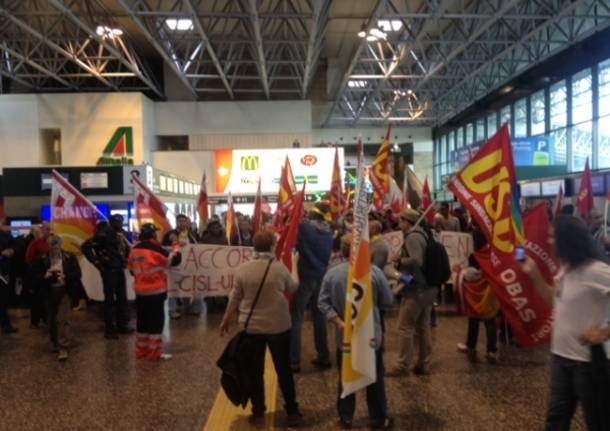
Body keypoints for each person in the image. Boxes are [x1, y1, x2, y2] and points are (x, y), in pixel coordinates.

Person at [520, 215, 610, 431]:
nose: (549, 241)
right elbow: (556, 301)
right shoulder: (566, 267)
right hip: (561, 359)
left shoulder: (596, 270)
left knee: (597, 421)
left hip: (588, 364)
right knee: (556, 419)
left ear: (568, 239)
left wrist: (605, 332)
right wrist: (534, 276)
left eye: (553, 236)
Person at [220, 231, 303, 428]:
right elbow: (293, 287)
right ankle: (292, 411)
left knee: (254, 372)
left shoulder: (243, 269)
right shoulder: (279, 269)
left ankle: (258, 411)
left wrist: (226, 319)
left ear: (254, 247)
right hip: (279, 327)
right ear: (273, 246)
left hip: (252, 329)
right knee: (284, 370)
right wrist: (295, 264)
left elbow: (235, 297)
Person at [318, 234, 394, 430]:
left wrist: (338, 320)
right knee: (374, 378)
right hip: (371, 336)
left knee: (345, 378)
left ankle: (345, 416)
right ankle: (377, 418)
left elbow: (322, 302)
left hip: (344, 337)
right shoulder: (375, 272)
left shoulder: (332, 274)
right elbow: (388, 301)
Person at [387, 209, 439, 376]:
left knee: (405, 327)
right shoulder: (424, 234)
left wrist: (399, 259)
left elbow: (417, 260)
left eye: (400, 221)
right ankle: (423, 363)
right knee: (423, 326)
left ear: (407, 222)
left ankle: (403, 365)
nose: (398, 224)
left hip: (417, 289)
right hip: (428, 287)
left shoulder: (412, 237)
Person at [290, 202, 333, 372]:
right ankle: (324, 356)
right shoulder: (329, 231)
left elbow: (293, 223)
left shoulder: (306, 229)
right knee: (319, 316)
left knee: (296, 317)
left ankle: (294, 361)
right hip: (321, 276)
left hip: (305, 277)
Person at [128, 223, 181, 361]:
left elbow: (131, 270)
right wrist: (175, 243)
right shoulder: (156, 249)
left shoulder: (134, 250)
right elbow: (175, 260)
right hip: (155, 292)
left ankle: (141, 351)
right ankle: (154, 354)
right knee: (155, 324)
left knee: (142, 323)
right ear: (153, 234)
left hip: (140, 293)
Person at [32, 235, 81, 361]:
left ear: (60, 245)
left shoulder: (69, 257)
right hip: (49, 291)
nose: (54, 249)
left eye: (56, 246)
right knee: (52, 318)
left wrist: (66, 276)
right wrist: (45, 275)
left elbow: (77, 274)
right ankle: (55, 342)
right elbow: (33, 277)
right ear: (48, 246)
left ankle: (63, 346)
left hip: (65, 290)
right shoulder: (42, 259)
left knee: (63, 318)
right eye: (51, 247)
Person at [81, 215, 132, 339]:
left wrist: (126, 258)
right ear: (111, 222)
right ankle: (109, 329)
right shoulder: (103, 234)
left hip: (119, 268)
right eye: (117, 222)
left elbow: (126, 247)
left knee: (122, 298)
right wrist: (96, 262)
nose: (119, 224)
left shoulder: (122, 233)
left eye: (121, 222)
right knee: (109, 300)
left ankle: (122, 325)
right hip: (109, 270)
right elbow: (86, 246)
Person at [455, 224, 500, 363]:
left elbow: (472, 275)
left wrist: (460, 271)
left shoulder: (474, 256)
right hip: (489, 292)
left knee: (473, 319)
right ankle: (491, 350)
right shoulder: (492, 254)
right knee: (490, 320)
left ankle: (471, 345)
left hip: (474, 292)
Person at [163, 214, 202, 319]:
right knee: (174, 289)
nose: (182, 223)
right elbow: (166, 250)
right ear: (176, 222)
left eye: (184, 221)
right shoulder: (170, 234)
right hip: (176, 266)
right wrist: (175, 243)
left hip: (190, 266)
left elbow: (199, 248)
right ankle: (172, 310)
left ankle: (189, 308)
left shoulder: (192, 234)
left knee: (189, 287)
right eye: (180, 221)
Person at [25, 223, 52, 326]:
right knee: (37, 299)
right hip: (37, 275)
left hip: (48, 274)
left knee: (46, 299)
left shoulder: (50, 243)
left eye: (50, 229)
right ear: (42, 230)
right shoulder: (35, 243)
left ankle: (45, 319)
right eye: (47, 229)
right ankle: (35, 321)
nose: (49, 232)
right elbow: (28, 259)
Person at [0, 221, 17, 334]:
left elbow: (15, 243)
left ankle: (5, 324)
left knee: (3, 299)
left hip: (3, 271)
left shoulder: (4, 235)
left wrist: (12, 250)